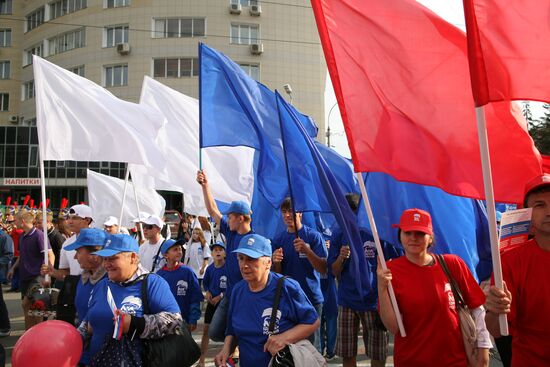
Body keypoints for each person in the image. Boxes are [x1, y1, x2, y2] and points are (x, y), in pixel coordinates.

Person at [377, 208, 491, 366]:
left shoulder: (452, 264)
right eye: (408, 233)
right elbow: (394, 327)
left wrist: (484, 349)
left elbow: (477, 308)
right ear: (400, 236)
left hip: (454, 360)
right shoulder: (390, 271)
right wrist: (382, 288)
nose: (413, 238)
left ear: (430, 238)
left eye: (420, 233)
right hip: (411, 360)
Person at [215, 234, 319, 367]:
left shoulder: (287, 288)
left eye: (251, 259)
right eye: (241, 258)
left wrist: (284, 337)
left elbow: (313, 321)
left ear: (268, 263)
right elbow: (232, 330)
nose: (244, 265)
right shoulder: (237, 291)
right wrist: (226, 350)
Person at [78, 234, 182, 364]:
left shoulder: (152, 283)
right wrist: (72, 341)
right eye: (105, 259)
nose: (106, 264)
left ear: (133, 258)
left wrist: (134, 324)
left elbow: (175, 321)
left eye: (113, 258)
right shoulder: (102, 285)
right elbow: (88, 323)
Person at [328, 194, 402, 367]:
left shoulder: (377, 234)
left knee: (377, 352)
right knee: (347, 352)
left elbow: (396, 262)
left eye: (352, 212)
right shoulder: (339, 234)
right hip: (347, 302)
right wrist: (340, 258)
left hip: (374, 302)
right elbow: (332, 270)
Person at [485, 174, 550, 366]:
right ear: (527, 215)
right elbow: (496, 330)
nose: (549, 211)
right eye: (540, 205)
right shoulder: (508, 262)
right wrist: (496, 311)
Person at [197, 170, 253, 342]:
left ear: (241, 218)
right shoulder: (230, 232)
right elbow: (213, 211)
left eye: (231, 216)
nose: (227, 219)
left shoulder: (253, 240)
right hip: (230, 293)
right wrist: (205, 186)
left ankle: (235, 348)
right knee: (215, 332)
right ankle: (234, 344)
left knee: (244, 332)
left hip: (246, 294)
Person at [271, 197, 327, 351]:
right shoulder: (278, 239)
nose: (287, 215)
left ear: (300, 212)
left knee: (313, 348)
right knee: (292, 349)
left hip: (311, 299)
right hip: (288, 299)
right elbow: (277, 276)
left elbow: (323, 269)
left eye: (291, 211)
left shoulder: (313, 236)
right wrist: (275, 262)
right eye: (284, 211)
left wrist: (307, 251)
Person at [8, 210, 54, 330]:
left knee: (35, 307)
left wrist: (47, 275)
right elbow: (22, 255)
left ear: (22, 221)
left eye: (16, 220)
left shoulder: (39, 235)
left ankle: (39, 333)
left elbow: (50, 255)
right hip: (25, 277)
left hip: (37, 277)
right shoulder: (22, 236)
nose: (14, 222)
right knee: (28, 308)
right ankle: (29, 333)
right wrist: (13, 268)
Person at [156, 239, 203, 330]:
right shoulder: (159, 275)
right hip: (165, 322)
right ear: (166, 255)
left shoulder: (187, 272)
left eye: (180, 249)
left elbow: (195, 297)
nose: (179, 252)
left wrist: (193, 319)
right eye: (175, 250)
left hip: (184, 321)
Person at [200, 241, 227, 367]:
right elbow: (205, 284)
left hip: (224, 302)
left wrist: (221, 296)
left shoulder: (228, 268)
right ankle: (202, 359)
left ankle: (228, 356)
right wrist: (208, 292)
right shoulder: (210, 268)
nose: (217, 252)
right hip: (212, 303)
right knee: (206, 330)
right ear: (211, 253)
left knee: (227, 331)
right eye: (215, 250)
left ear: (225, 252)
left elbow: (232, 285)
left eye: (220, 250)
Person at [320, 239, 337, 360]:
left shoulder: (330, 244)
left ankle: (331, 351)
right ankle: (320, 350)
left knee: (331, 322)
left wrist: (330, 249)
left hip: (330, 292)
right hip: (317, 292)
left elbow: (335, 270)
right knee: (318, 323)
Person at [35, 210, 64, 275]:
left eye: (39, 223)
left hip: (55, 269)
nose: (37, 225)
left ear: (47, 222)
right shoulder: (42, 233)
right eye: (36, 223)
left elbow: (61, 255)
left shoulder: (57, 236)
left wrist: (55, 271)